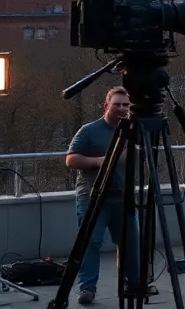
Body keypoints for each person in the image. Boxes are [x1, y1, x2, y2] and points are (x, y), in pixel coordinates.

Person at [65, 86, 151, 306]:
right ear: (106, 106)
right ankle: (87, 288)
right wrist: (99, 161)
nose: (122, 109)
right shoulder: (89, 130)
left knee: (130, 242)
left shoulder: (134, 131)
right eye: (117, 104)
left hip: (123, 197)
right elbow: (71, 159)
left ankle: (132, 283)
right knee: (91, 242)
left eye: (126, 105)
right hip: (93, 196)